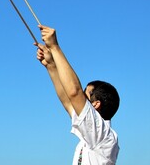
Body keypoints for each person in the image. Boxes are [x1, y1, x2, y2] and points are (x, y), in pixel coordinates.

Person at [35, 25, 120, 165]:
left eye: (85, 94)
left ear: (96, 104)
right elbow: (68, 100)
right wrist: (50, 65)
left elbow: (74, 92)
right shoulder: (91, 133)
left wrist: (55, 47)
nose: (81, 99)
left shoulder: (103, 136)